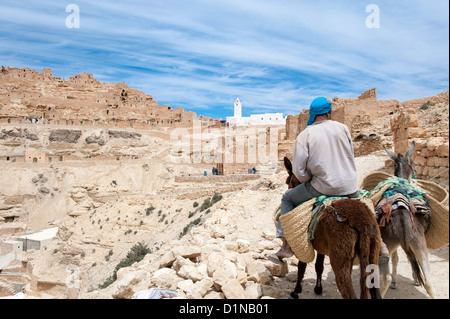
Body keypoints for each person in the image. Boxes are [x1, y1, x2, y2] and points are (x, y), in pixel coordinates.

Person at [267, 97, 389, 266]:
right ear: (329, 113)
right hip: (349, 186)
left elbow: (299, 172)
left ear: (313, 116)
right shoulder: (343, 128)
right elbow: (349, 155)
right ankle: (381, 244)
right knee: (365, 202)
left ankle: (286, 246)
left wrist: (309, 178)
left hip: (322, 187)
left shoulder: (306, 134)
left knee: (287, 198)